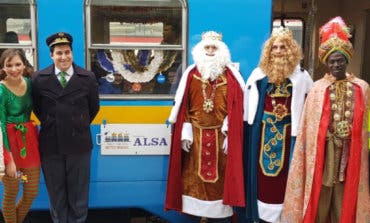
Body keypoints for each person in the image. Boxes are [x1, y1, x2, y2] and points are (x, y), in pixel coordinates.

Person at [280, 16, 370, 223]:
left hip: (350, 151)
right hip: (323, 152)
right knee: (321, 192)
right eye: (332, 61)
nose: (336, 64)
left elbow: (364, 124)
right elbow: (308, 128)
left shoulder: (362, 87)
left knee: (344, 192)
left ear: (347, 60)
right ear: (326, 63)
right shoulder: (318, 88)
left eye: (340, 60)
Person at [165, 31, 245, 223]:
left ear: (221, 51)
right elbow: (182, 103)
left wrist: (229, 131)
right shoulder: (191, 74)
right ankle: (196, 215)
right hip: (196, 137)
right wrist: (185, 132)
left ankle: (220, 217)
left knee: (220, 183)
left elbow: (237, 106)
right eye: (207, 47)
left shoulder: (230, 76)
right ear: (200, 50)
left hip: (220, 138)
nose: (210, 51)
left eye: (214, 48)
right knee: (194, 181)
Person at [236, 27, 313, 223]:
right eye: (274, 48)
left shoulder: (302, 76)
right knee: (261, 178)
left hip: (289, 136)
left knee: (285, 179)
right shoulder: (258, 74)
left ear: (290, 51)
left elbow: (311, 104)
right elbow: (248, 106)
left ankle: (284, 217)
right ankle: (261, 217)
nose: (278, 51)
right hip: (262, 133)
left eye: (282, 47)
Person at [31, 32, 100, 223]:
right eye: (59, 53)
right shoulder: (39, 79)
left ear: (72, 53)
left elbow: (93, 109)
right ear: (51, 55)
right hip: (51, 146)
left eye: (67, 52)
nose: (64, 57)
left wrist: (75, 123)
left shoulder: (87, 77)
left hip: (79, 145)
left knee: (79, 197)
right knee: (57, 196)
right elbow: (38, 109)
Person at [0, 49, 40, 223]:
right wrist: (8, 161)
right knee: (11, 193)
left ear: (24, 64)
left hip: (28, 141)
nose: (14, 69)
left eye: (17, 64)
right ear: (3, 67)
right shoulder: (1, 90)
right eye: (9, 65)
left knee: (31, 192)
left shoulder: (30, 84)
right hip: (7, 144)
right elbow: (0, 125)